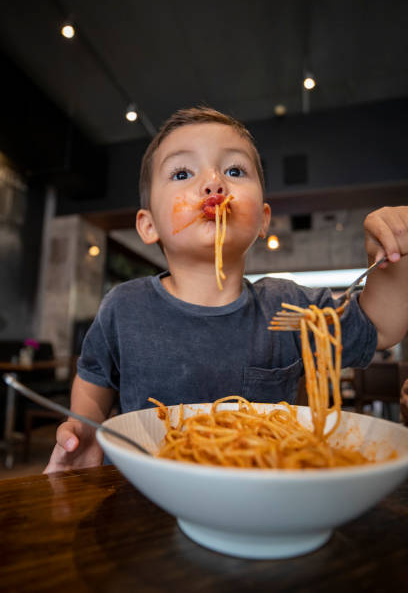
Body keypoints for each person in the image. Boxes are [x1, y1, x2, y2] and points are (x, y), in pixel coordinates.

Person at [44, 106, 408, 473]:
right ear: (148, 225)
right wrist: (86, 428)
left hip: (263, 493)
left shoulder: (289, 306)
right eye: (182, 172)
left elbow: (381, 326)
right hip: (141, 494)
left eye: (234, 170)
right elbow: (94, 381)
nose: (214, 183)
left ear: (263, 219)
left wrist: (398, 247)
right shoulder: (124, 307)